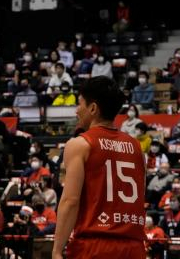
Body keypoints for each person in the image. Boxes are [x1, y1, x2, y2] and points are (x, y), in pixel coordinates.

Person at [52, 76, 146, 259]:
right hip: (134, 247)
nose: (76, 111)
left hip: (95, 244)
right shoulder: (137, 148)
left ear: (93, 108)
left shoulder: (80, 144)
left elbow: (70, 200)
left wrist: (57, 250)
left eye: (80, 104)